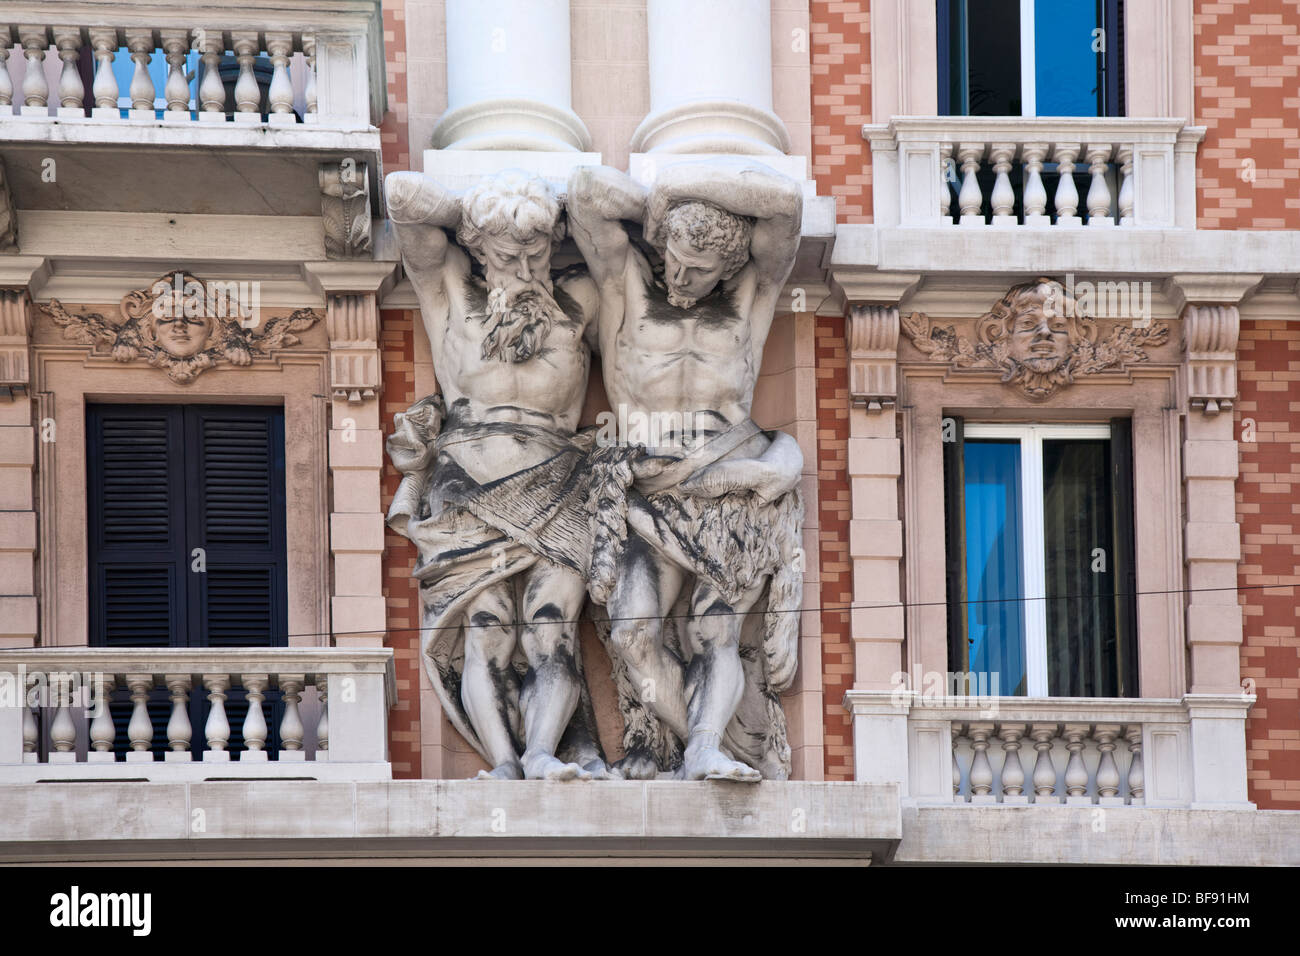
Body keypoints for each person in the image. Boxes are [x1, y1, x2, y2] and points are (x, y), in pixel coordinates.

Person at [567, 160, 805, 781]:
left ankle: (702, 747)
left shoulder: (751, 298)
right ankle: (695, 732)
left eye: (699, 269)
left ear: (728, 267)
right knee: (631, 634)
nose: (680, 274)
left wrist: (693, 187)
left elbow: (783, 207)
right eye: (674, 257)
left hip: (729, 489)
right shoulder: (627, 286)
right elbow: (586, 193)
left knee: (716, 633)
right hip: (644, 492)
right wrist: (665, 198)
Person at [384, 168, 608, 781]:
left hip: (559, 480)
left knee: (552, 626)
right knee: (487, 631)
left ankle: (542, 753)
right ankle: (504, 762)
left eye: (537, 249)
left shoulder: (580, 298)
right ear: (479, 247)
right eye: (509, 252)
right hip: (469, 486)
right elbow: (402, 196)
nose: (525, 264)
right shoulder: (450, 290)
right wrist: (476, 209)